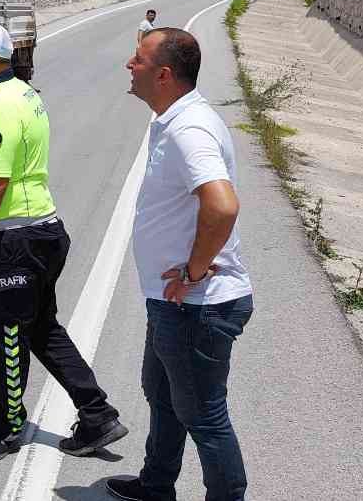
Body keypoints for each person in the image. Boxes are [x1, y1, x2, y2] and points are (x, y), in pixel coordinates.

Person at [0, 18, 128, 463]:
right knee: (41, 329)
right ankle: (97, 414)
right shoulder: (15, 92)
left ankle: (6, 425)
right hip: (36, 233)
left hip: (15, 241)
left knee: (6, 335)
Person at [111, 28, 255, 501]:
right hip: (173, 303)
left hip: (195, 306)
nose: (129, 66)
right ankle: (156, 486)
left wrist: (194, 270)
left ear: (164, 74)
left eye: (137, 60)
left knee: (204, 416)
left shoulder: (189, 129)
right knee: (163, 396)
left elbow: (222, 205)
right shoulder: (174, 120)